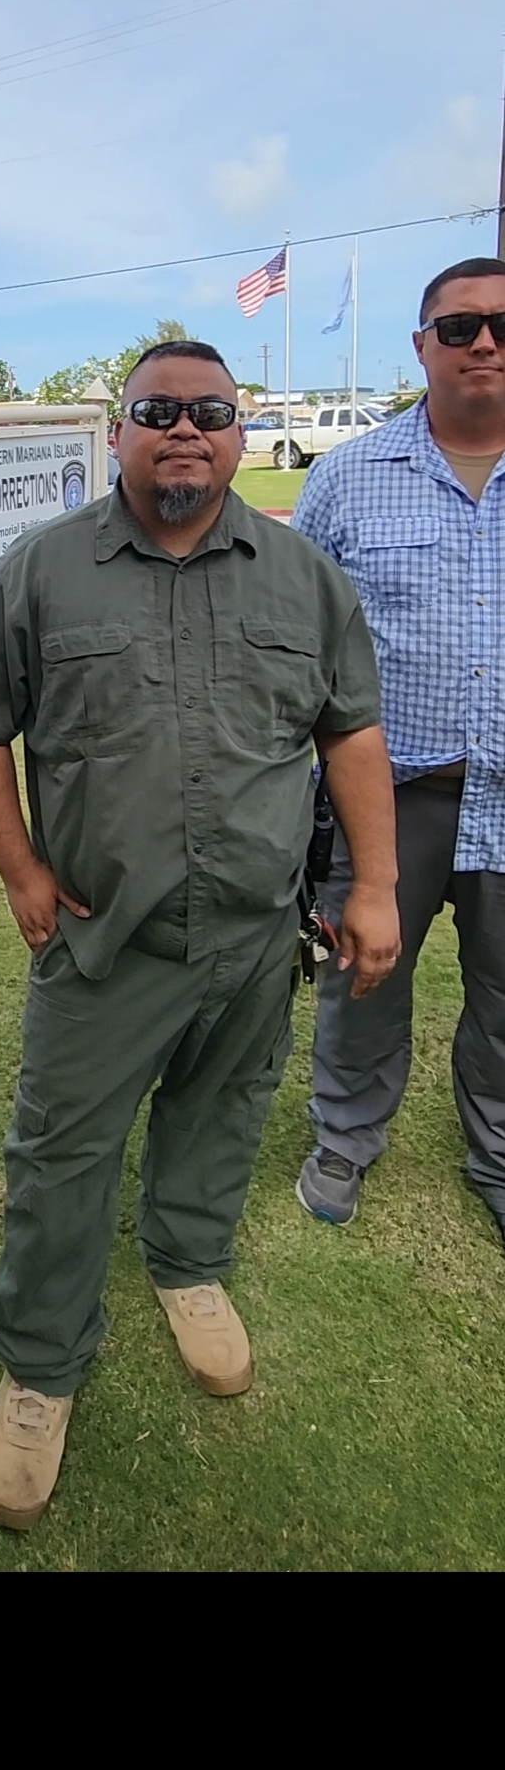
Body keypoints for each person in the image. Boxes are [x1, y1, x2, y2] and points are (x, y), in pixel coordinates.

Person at [0, 338, 400, 1531]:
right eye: (156, 410)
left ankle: (188, 1268)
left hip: (253, 940)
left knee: (222, 1113)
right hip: (104, 947)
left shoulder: (300, 576)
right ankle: (39, 1364)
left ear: (241, 433)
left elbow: (349, 736)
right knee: (63, 1156)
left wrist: (376, 888)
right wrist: (21, 871)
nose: (184, 429)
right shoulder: (44, 572)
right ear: (118, 431)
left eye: (211, 411)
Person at [292, 256, 505, 1239]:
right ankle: (344, 1134)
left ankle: (497, 1148)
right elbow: (298, 637)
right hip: (390, 791)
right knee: (364, 971)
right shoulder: (346, 477)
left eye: (501, 325)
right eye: (459, 328)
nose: (486, 344)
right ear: (422, 347)